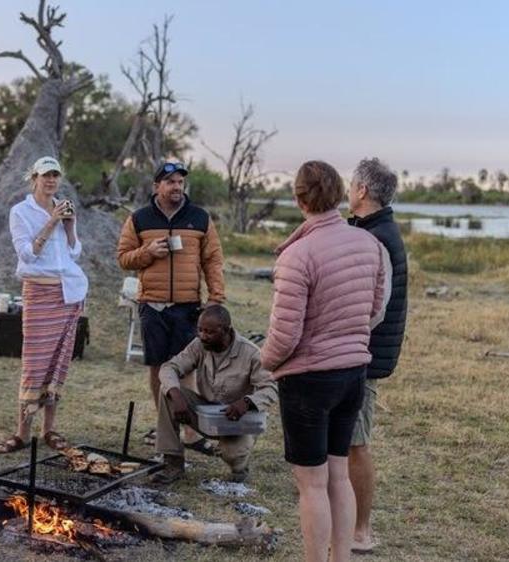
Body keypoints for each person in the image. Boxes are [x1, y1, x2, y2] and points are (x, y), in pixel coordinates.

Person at [260, 160, 389, 562]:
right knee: (338, 475)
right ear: (336, 195)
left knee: (312, 484)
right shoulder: (371, 245)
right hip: (353, 372)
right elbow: (375, 310)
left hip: (309, 381)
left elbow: (285, 336)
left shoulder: (297, 256)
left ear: (299, 199)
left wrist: (262, 365)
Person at [116, 161, 225, 456]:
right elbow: (124, 258)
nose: (177, 187)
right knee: (157, 367)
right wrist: (147, 252)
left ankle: (190, 431)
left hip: (188, 306)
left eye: (180, 182)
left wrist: (216, 297)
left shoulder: (199, 218)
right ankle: (166, 425)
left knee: (186, 367)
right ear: (156, 187)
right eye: (170, 182)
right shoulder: (139, 218)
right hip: (152, 305)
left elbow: (213, 260)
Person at [0, 156, 87, 454]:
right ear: (33, 177)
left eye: (55, 176)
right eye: (45, 175)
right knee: (34, 363)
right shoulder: (21, 212)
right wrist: (51, 222)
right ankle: (22, 432)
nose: (51, 181)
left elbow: (73, 253)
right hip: (39, 293)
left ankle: (50, 429)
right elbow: (27, 255)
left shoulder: (63, 207)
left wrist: (70, 225)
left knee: (59, 362)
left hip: (68, 294)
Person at [346, 158, 407, 554]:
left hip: (364, 354)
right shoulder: (367, 228)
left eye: (352, 184)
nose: (348, 190)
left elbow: (376, 309)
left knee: (356, 442)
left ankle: (362, 531)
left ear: (363, 190)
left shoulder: (380, 237)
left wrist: (342, 334)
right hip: (360, 351)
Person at [151, 305, 278, 485]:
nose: (203, 336)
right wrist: (176, 393)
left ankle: (240, 468)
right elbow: (169, 367)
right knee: (167, 392)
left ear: (226, 330)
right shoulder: (199, 345)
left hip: (237, 419)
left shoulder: (251, 353)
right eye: (200, 330)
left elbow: (271, 388)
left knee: (232, 454)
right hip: (206, 413)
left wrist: (247, 402)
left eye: (209, 332)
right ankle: (173, 462)